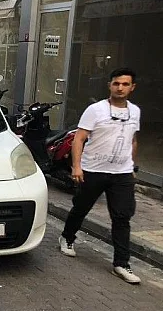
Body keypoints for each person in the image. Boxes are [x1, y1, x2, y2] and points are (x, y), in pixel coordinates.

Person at [60, 68, 142, 284]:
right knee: (81, 208)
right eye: (116, 83)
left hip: (122, 173)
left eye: (125, 84)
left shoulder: (135, 112)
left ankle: (121, 264)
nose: (120, 88)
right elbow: (79, 139)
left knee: (122, 217)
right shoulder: (95, 110)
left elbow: (133, 140)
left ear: (132, 87)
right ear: (110, 85)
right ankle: (67, 237)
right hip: (93, 170)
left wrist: (132, 166)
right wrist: (76, 167)